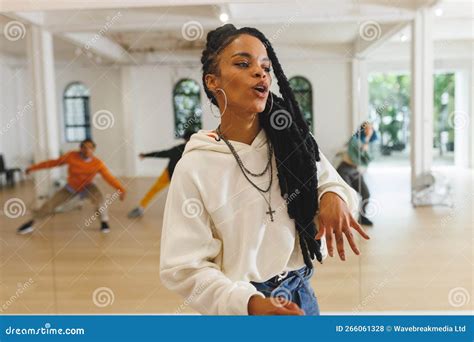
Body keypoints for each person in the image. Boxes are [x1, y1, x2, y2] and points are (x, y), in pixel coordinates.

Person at [160, 24, 370, 316]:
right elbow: (184, 267)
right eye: (243, 63)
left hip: (300, 291)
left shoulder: (292, 141)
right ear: (212, 81)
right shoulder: (196, 165)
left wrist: (333, 195)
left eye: (266, 66)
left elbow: (330, 182)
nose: (260, 73)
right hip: (242, 304)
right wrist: (250, 304)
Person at [16, 138, 126, 234]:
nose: (88, 150)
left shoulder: (98, 163)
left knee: (100, 201)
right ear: (80, 149)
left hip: (88, 187)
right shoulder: (71, 156)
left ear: (94, 150)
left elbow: (109, 178)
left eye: (90, 148)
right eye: (85, 147)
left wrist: (120, 189)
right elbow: (53, 163)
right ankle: (30, 223)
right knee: (50, 204)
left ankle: (104, 222)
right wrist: (33, 168)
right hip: (71, 187)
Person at [128, 130, 194, 218]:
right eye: (188, 139)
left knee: (185, 194)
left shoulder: (194, 151)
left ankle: (188, 212)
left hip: (181, 176)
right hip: (168, 173)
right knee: (155, 189)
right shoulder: (178, 149)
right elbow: (162, 153)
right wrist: (146, 155)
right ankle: (141, 208)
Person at [336, 122, 377, 226]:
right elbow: (359, 155)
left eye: (371, 129)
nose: (369, 131)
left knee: (366, 193)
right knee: (348, 195)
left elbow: (368, 158)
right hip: (344, 169)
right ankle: (344, 219)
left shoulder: (368, 143)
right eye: (367, 128)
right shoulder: (354, 140)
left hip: (355, 170)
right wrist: (367, 141)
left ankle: (362, 218)